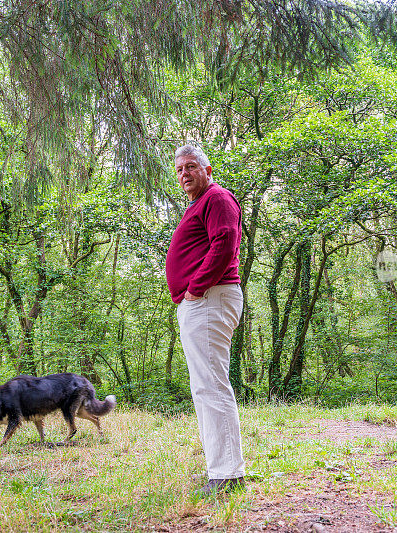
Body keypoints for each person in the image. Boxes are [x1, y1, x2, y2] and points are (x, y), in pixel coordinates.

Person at [165, 144, 245, 495]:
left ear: (207, 170)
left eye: (191, 167)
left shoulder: (217, 198)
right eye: (180, 169)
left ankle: (227, 475)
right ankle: (222, 469)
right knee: (204, 386)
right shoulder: (199, 204)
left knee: (211, 385)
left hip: (210, 298)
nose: (185, 174)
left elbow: (225, 243)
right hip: (201, 301)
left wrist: (194, 288)